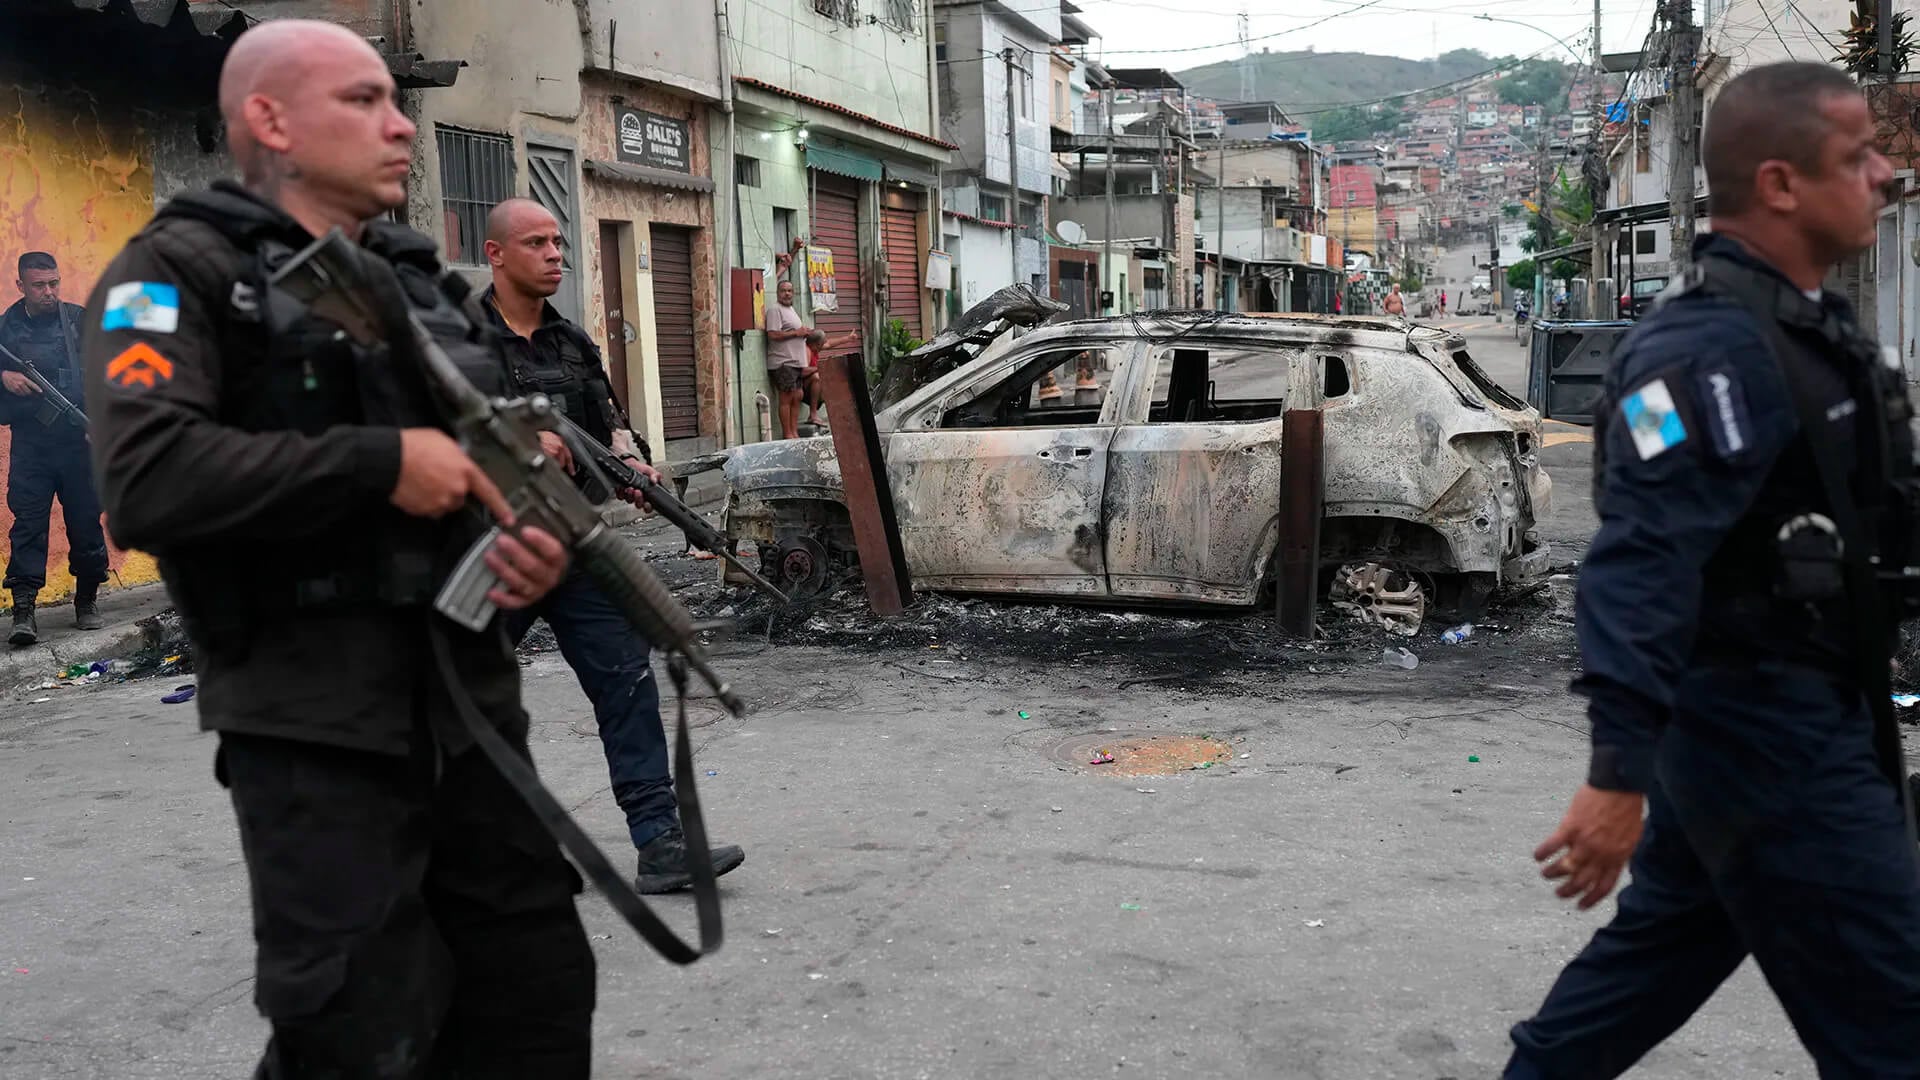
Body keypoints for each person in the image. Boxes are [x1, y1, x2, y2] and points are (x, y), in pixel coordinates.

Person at [82, 21, 595, 1076]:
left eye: (392, 100)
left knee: (534, 1001)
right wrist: (374, 463)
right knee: (359, 1030)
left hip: (468, 710)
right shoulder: (168, 274)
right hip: (313, 728)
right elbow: (146, 482)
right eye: (364, 101)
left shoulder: (418, 285)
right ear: (269, 120)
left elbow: (481, 470)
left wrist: (527, 544)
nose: (401, 123)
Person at [1505, 63, 1918, 1078]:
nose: (1886, 177)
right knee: (1898, 1028)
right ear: (1780, 183)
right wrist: (1616, 774)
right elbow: (1638, 563)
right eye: (1858, 157)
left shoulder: (1804, 327)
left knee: (1657, 958)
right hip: (1768, 739)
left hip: (1788, 716)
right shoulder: (1703, 357)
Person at [480, 197, 747, 894]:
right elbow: (431, 437)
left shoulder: (571, 342)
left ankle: (660, 843)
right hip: (494, 547)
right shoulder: (459, 343)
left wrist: (635, 471)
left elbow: (611, 426)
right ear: (495, 254)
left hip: (577, 547)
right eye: (535, 242)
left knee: (627, 687)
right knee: (458, 694)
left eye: (558, 242)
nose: (553, 254)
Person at [1, 251, 107, 645]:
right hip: (32, 447)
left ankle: (87, 599)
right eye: (39, 285)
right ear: (21, 286)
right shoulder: (5, 330)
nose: (49, 292)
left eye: (54, 283)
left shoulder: (80, 321)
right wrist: (4, 376)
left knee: (85, 520)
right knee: (28, 523)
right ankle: (24, 610)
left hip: (79, 444)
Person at [765, 279, 811, 439]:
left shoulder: (791, 309)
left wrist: (804, 332)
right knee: (786, 397)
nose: (787, 293)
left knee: (797, 396)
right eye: (783, 290)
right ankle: (787, 434)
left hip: (796, 362)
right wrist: (796, 333)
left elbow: (794, 331)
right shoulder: (774, 310)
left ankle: (794, 432)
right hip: (783, 362)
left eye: (790, 291)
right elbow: (772, 334)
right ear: (778, 293)